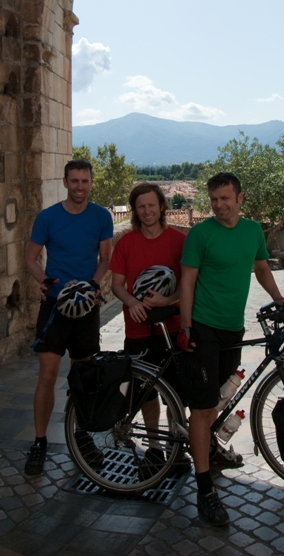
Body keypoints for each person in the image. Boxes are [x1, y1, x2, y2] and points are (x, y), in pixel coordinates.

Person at [177, 172, 284, 526]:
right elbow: (188, 280)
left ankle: (208, 452)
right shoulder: (201, 234)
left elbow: (260, 268)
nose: (219, 205)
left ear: (240, 199)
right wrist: (186, 326)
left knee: (222, 397)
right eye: (214, 200)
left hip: (233, 328)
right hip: (205, 326)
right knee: (203, 406)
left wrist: (279, 298)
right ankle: (203, 487)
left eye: (225, 199)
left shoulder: (253, 231)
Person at [24, 158, 113, 476]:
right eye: (74, 181)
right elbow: (31, 258)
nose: (79, 186)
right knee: (47, 376)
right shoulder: (47, 218)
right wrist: (44, 282)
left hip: (86, 307)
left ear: (91, 183)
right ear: (65, 182)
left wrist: (93, 285)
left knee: (82, 377)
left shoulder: (102, 217)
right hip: (55, 307)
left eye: (84, 181)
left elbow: (105, 259)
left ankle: (81, 437)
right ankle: (39, 442)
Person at [109, 182, 189, 475]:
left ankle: (175, 446)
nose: (147, 211)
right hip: (139, 330)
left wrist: (168, 299)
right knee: (147, 393)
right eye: (140, 206)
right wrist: (131, 301)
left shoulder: (179, 242)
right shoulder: (126, 244)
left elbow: (187, 285)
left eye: (151, 205)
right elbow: (117, 284)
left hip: (173, 329)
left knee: (176, 394)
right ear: (135, 211)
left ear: (162, 207)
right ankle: (155, 448)